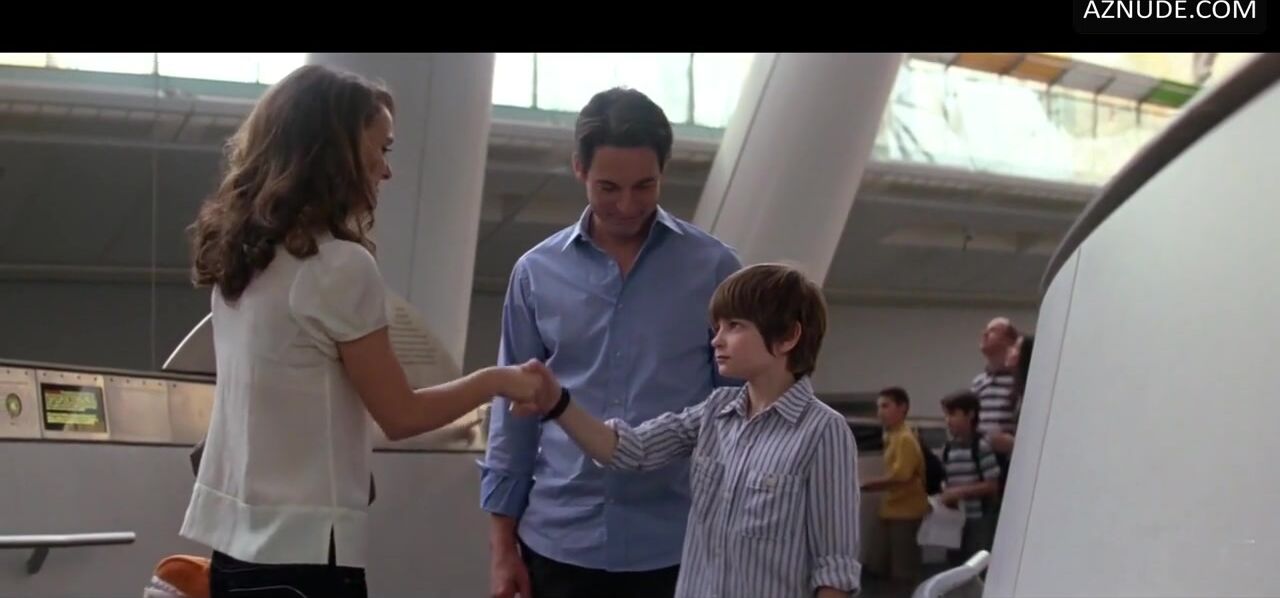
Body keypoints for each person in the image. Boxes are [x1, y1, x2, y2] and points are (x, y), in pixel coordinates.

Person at [179, 64, 546, 598]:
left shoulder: (243, 260)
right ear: (334, 152)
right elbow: (401, 415)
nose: (386, 171)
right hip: (306, 557)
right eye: (381, 148)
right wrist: (497, 380)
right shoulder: (337, 265)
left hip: (234, 551)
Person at [481, 87, 742, 598]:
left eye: (645, 186)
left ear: (664, 170)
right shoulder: (535, 274)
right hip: (558, 543)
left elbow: (739, 412)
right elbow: (511, 422)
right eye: (608, 187)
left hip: (679, 545)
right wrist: (501, 548)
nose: (626, 205)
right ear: (579, 169)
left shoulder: (716, 269)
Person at [520, 263, 861, 598]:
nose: (717, 340)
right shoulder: (715, 412)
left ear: (788, 336)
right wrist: (558, 403)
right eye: (717, 326)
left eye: (734, 326)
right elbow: (628, 449)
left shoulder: (823, 431)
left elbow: (834, 566)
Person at [860, 386, 929, 584]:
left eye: (885, 406)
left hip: (906, 511)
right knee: (877, 562)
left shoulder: (905, 438)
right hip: (891, 508)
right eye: (879, 407)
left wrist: (867, 484)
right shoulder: (892, 435)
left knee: (903, 570)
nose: (880, 412)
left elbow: (902, 476)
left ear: (902, 408)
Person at [937, 390, 1002, 564]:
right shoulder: (947, 449)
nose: (948, 420)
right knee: (954, 566)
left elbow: (992, 485)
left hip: (978, 520)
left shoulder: (981, 447)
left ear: (970, 414)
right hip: (954, 521)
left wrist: (959, 492)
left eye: (953, 414)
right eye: (946, 415)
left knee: (976, 564)